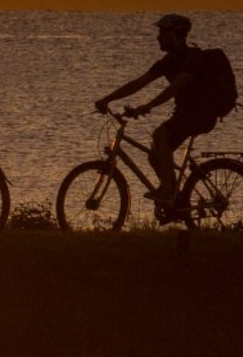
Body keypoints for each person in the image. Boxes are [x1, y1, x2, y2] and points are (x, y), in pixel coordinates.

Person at [93, 13, 223, 217]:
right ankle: (176, 200)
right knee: (155, 155)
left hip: (202, 113)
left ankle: (168, 190)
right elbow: (138, 83)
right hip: (186, 113)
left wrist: (149, 105)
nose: (158, 37)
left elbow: (176, 86)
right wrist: (107, 99)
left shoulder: (192, 58)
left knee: (160, 135)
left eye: (163, 33)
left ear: (177, 35)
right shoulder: (167, 61)